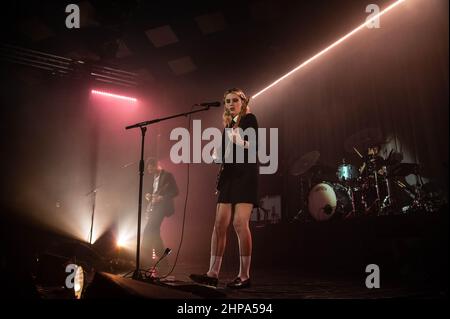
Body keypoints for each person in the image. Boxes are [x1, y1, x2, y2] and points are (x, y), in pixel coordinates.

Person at [190, 88, 258, 289]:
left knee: (239, 223)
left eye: (235, 100)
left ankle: (244, 276)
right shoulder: (228, 125)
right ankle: (212, 273)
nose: (230, 103)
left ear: (243, 102)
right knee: (219, 224)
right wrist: (215, 155)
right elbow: (222, 153)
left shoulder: (249, 119)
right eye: (227, 101)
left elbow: (254, 145)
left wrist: (241, 142)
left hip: (245, 175)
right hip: (228, 177)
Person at [141, 158, 179, 273]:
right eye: (148, 169)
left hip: (162, 208)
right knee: (155, 235)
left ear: (156, 165)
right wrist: (148, 195)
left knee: (148, 230)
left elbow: (175, 191)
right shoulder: (153, 178)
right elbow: (151, 190)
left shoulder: (167, 176)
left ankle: (144, 260)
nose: (149, 170)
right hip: (154, 208)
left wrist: (162, 198)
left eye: (151, 168)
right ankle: (163, 262)